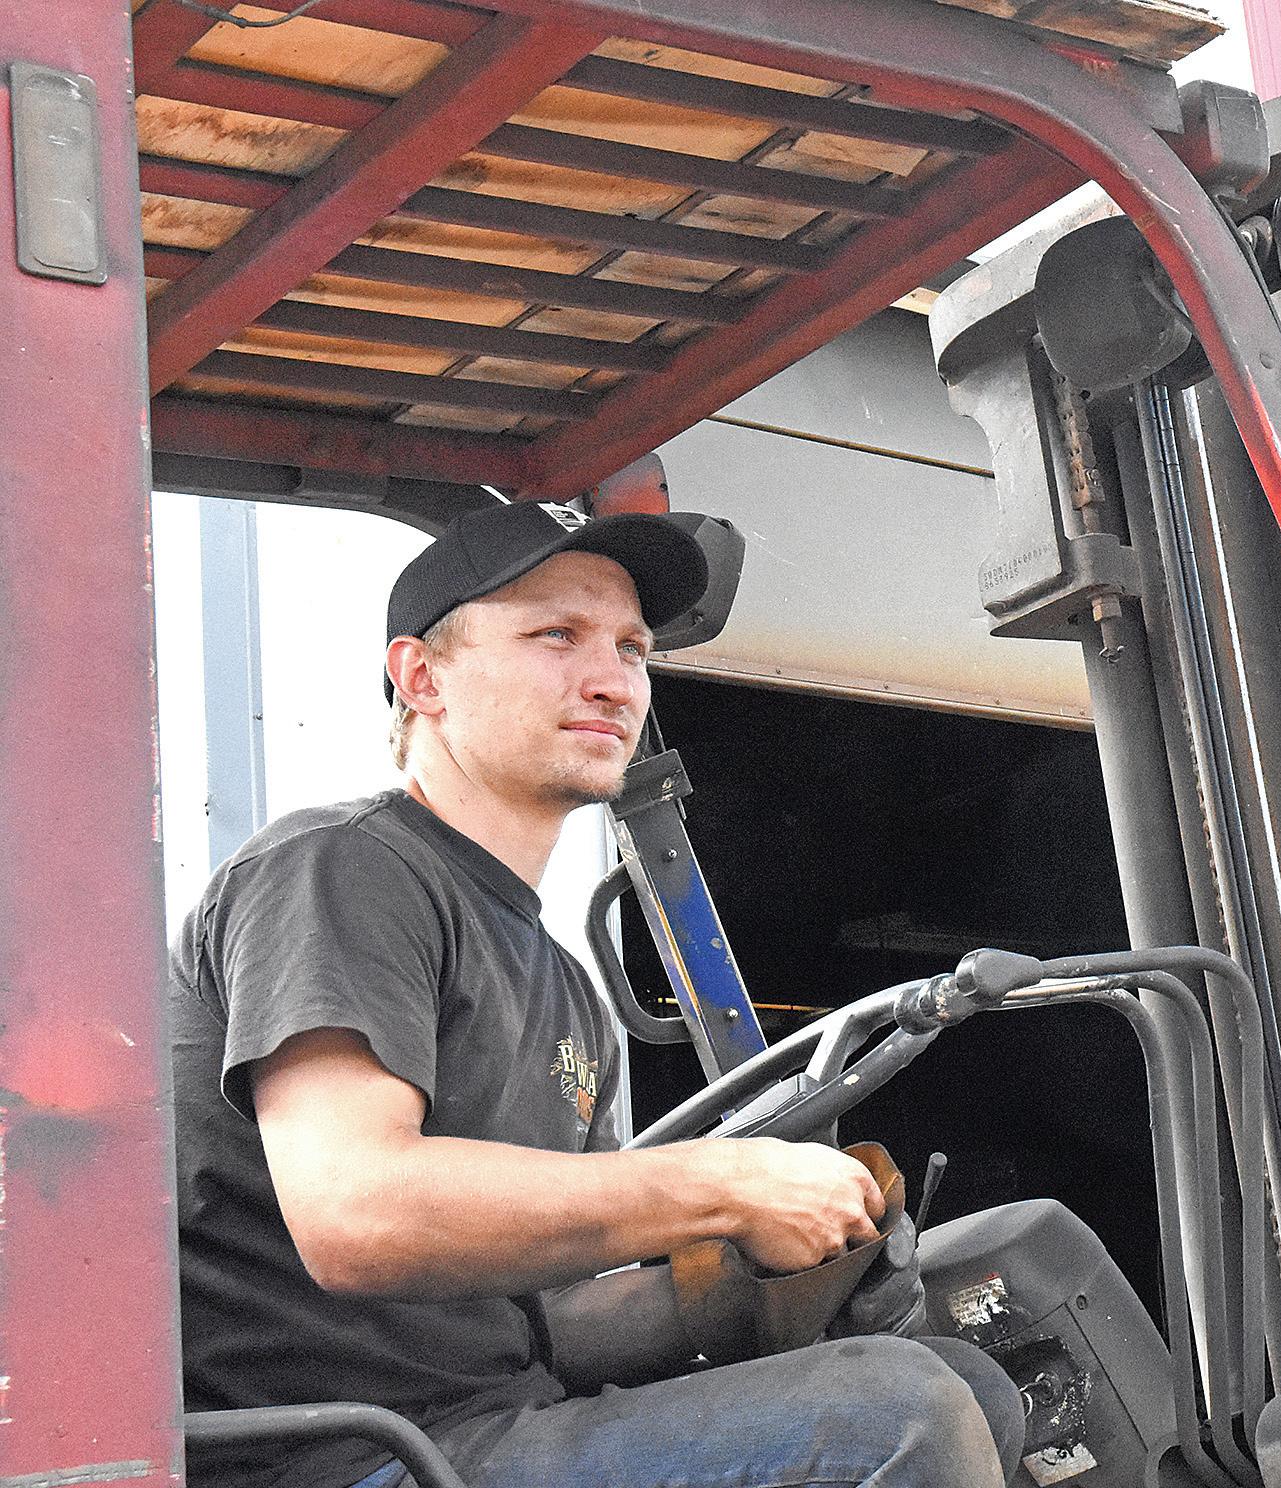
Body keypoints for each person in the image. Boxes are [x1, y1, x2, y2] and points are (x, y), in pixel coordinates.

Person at [169, 501, 1023, 1488]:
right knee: (899, 1411)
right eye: (555, 636)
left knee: (969, 1383)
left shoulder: (564, 987)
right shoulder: (341, 870)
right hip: (347, 1461)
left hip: (490, 1427)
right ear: (422, 677)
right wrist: (721, 1183)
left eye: (631, 648)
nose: (613, 680)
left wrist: (769, 1281)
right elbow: (357, 1213)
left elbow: (553, 1321)